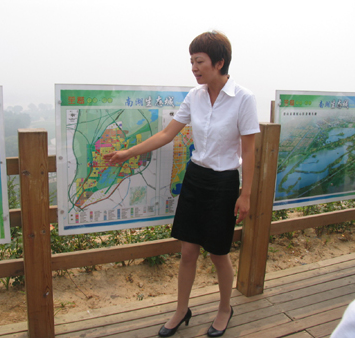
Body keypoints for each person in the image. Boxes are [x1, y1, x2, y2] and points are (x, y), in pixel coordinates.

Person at [104, 31, 260, 337]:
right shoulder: (195, 96)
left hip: (225, 182)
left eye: (199, 61)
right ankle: (181, 309)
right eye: (191, 61)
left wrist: (246, 195)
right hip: (196, 178)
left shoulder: (244, 98)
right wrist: (127, 153)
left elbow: (249, 149)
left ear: (219, 62)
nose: (194, 67)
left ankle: (225, 308)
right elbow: (166, 134)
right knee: (188, 252)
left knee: (218, 253)